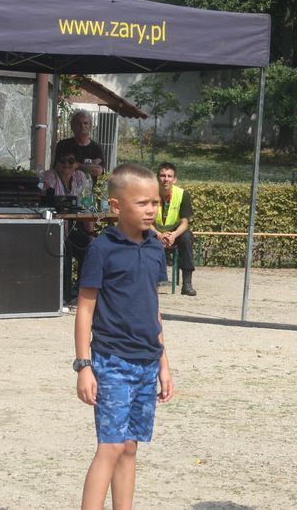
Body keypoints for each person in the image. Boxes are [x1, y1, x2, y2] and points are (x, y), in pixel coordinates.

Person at [74, 163, 173, 510]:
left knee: (130, 447)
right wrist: (84, 366)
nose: (151, 210)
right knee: (111, 446)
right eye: (142, 203)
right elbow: (85, 309)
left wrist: (164, 364)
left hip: (147, 362)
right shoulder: (101, 249)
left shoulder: (155, 248)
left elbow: (153, 308)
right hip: (112, 363)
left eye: (155, 203)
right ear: (116, 206)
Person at [38, 148, 94, 304]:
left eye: (71, 161)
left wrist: (91, 234)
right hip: (53, 228)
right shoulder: (50, 176)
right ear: (57, 162)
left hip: (73, 226)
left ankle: (82, 292)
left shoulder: (80, 176)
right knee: (65, 249)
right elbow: (46, 196)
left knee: (89, 247)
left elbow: (86, 204)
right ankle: (65, 296)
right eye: (62, 160)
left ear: (77, 164)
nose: (66, 164)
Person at [152, 162, 197, 296]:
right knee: (140, 234)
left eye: (169, 176)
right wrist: (159, 234)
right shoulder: (149, 193)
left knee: (187, 237)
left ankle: (187, 284)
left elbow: (184, 223)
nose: (166, 179)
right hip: (154, 232)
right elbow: (143, 220)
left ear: (174, 179)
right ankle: (146, 281)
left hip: (175, 234)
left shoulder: (183, 195)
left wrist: (173, 235)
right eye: (162, 176)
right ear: (157, 177)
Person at [55, 110, 105, 185]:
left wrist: (76, 165)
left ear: (91, 127)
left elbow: (98, 171)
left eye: (86, 123)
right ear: (72, 127)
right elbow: (58, 167)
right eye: (78, 123)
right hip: (65, 189)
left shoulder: (97, 148)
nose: (82, 126)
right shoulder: (63, 145)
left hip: (88, 191)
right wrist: (89, 166)